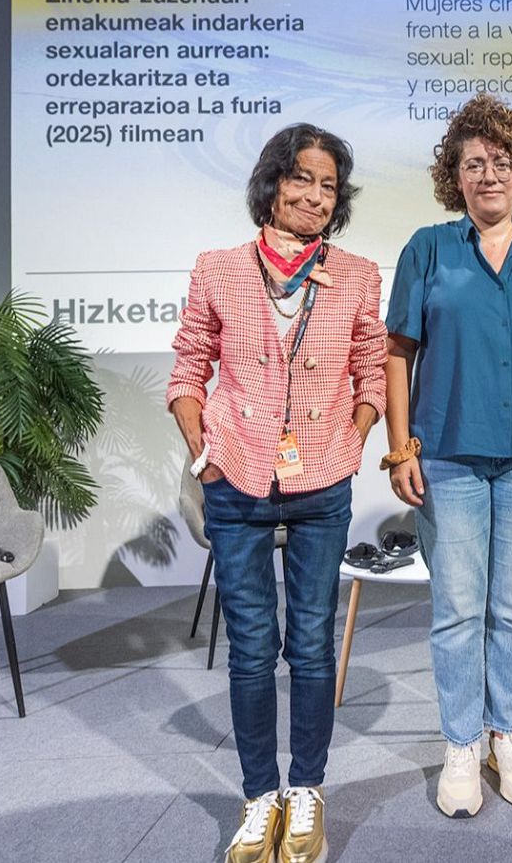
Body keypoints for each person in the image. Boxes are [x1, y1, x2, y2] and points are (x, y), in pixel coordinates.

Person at [168, 123, 386, 863]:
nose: (316, 196)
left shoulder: (354, 273)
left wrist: (355, 437)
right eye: (303, 179)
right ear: (272, 184)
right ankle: (260, 796)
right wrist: (202, 448)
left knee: (314, 645)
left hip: (323, 476)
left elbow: (371, 369)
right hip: (237, 478)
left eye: (329, 185)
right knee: (254, 648)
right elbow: (188, 367)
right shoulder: (219, 268)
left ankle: (308, 792)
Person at [382, 93, 512, 818]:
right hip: (450, 455)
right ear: (453, 178)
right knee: (459, 609)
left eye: (501, 162)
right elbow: (398, 352)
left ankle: (509, 734)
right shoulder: (427, 248)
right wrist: (400, 447)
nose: (488, 174)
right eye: (473, 164)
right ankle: (462, 744)